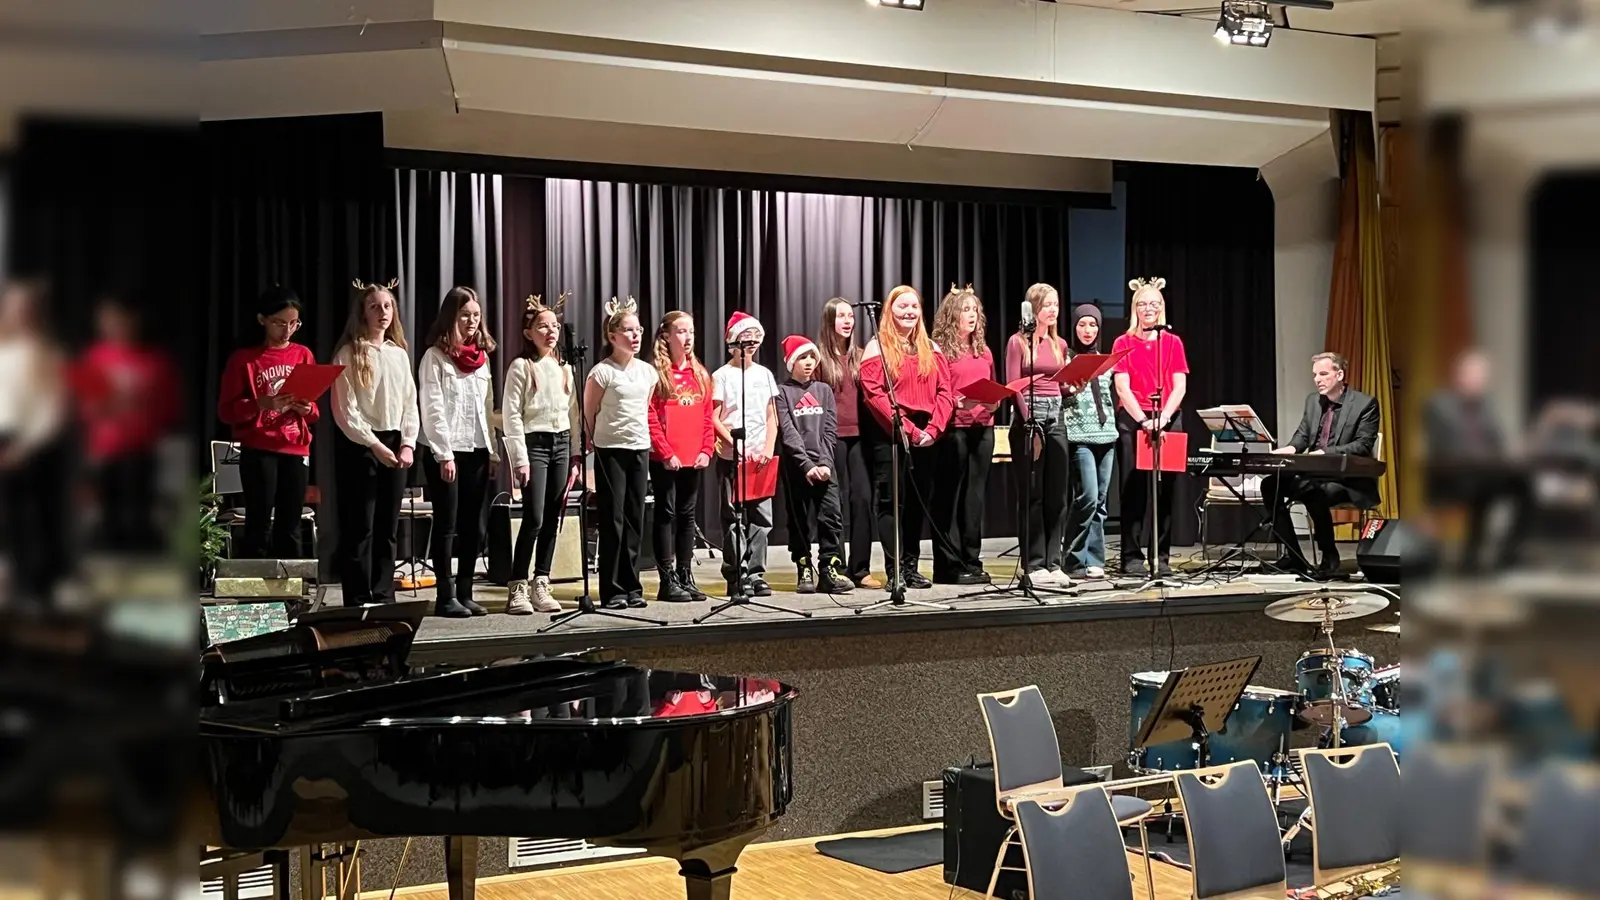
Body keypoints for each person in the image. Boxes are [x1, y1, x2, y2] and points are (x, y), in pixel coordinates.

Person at [858, 285, 955, 589]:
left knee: (916, 503)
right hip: (891, 434)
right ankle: (895, 570)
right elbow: (875, 396)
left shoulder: (932, 348)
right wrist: (908, 431)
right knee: (891, 502)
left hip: (928, 436)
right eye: (902, 307)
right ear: (889, 311)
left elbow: (945, 393)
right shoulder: (877, 348)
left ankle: (911, 566)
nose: (909, 312)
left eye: (914, 306)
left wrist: (933, 430)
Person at [331, 279, 419, 607]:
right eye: (374, 306)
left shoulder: (398, 354)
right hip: (362, 444)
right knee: (361, 526)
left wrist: (408, 442)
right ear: (362, 313)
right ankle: (356, 597)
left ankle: (383, 594)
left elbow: (410, 402)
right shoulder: (348, 353)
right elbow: (346, 410)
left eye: (387, 306)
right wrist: (374, 445)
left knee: (387, 526)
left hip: (394, 439)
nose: (382, 312)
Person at [217, 286, 319, 560]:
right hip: (259, 448)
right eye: (279, 323)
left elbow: (314, 413)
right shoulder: (245, 359)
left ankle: (293, 593)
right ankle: (257, 592)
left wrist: (307, 408)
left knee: (290, 524)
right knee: (259, 522)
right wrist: (260, 404)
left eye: (293, 323)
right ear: (262, 319)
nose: (287, 331)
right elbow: (226, 411)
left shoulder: (303, 354)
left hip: (296, 448)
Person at [417, 286, 498, 618]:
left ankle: (466, 591)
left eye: (476, 316)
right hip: (446, 453)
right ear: (451, 316)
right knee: (447, 525)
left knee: (472, 526)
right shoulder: (434, 357)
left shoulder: (482, 359)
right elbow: (433, 408)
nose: (472, 322)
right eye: (465, 315)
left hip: (477, 449)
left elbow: (487, 406)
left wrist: (491, 452)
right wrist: (444, 454)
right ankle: (445, 595)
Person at [76, 296, 180, 553]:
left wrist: (143, 413)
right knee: (109, 512)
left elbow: (170, 405)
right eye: (110, 321)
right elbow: (82, 404)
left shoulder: (154, 361)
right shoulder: (96, 358)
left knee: (139, 511)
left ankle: (137, 562)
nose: (117, 326)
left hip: (141, 447)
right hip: (106, 448)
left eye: (123, 321)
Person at [1265, 351, 1380, 577]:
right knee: (1270, 485)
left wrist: (1324, 453)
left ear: (1339, 375)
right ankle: (1293, 556)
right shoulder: (1313, 401)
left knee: (1311, 491)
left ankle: (1329, 555)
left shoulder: (1365, 404)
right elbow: (1302, 436)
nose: (1317, 379)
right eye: (1315, 375)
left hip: (1348, 480)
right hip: (1314, 474)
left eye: (1323, 373)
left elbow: (1363, 445)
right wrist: (1290, 448)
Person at [502, 294, 582, 614]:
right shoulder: (522, 367)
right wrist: (519, 458)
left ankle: (542, 581)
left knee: (552, 518)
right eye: (542, 326)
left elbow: (573, 413)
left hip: (561, 443)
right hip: (534, 444)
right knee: (533, 517)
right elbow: (511, 414)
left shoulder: (564, 367)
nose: (550, 331)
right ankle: (518, 585)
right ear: (528, 332)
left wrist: (576, 455)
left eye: (555, 326)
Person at [1111, 277, 1188, 578]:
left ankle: (1162, 556)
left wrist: (1163, 419)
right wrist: (1143, 421)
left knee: (1165, 491)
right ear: (1134, 308)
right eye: (1142, 304)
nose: (1148, 308)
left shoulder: (1173, 342)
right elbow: (1122, 386)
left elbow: (1179, 386)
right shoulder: (1123, 342)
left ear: (1162, 308)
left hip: (1167, 416)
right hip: (1134, 418)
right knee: (1133, 490)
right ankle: (1131, 557)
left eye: (1154, 303)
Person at [1424, 348, 1527, 571]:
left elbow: (1499, 441)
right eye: (1473, 374)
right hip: (1452, 476)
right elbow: (1448, 450)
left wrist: (1509, 456)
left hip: (1486, 473)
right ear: (1459, 375)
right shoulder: (1440, 405)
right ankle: (1471, 558)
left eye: (1482, 376)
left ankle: (1509, 554)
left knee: (1524, 484)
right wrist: (1490, 460)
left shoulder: (1487, 406)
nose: (1478, 381)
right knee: (1484, 487)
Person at [0, 281, 69, 609]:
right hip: (5, 438)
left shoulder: (47, 355)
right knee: (11, 522)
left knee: (35, 523)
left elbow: (51, 408)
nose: (17, 313)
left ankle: (37, 593)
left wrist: (25, 448)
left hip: (32, 448)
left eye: (24, 307)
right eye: (12, 306)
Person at [585, 297, 656, 610]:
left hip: (639, 448)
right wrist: (590, 448)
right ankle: (612, 589)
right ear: (612, 336)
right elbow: (589, 414)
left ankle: (632, 585)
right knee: (612, 520)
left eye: (638, 330)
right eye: (628, 330)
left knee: (634, 519)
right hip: (610, 450)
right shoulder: (602, 373)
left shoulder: (647, 372)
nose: (636, 336)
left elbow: (645, 407)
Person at [929, 285, 997, 586]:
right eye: (965, 310)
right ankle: (948, 565)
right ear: (951, 315)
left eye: (974, 311)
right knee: (949, 498)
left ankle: (972, 559)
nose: (971, 316)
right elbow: (933, 393)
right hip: (953, 429)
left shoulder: (984, 351)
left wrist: (994, 400)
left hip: (983, 429)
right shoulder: (938, 350)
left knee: (974, 499)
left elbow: (992, 387)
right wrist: (956, 402)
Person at [1005, 283, 1073, 586]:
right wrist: (1028, 419)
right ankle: (1033, 563)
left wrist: (1074, 385)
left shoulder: (1059, 344)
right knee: (1032, 493)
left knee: (1056, 493)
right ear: (1033, 308)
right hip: (1028, 417)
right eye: (1047, 304)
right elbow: (1012, 385)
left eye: (1056, 304)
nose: (1053, 310)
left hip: (1056, 415)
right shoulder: (1018, 342)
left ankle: (1052, 561)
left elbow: (1062, 386)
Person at [775, 334, 852, 595]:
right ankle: (803, 565)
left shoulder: (824, 391)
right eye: (802, 358)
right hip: (798, 468)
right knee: (799, 520)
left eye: (811, 357)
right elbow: (788, 432)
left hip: (824, 465)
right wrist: (807, 465)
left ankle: (829, 568)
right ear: (791, 362)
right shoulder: (782, 392)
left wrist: (825, 463)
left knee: (831, 517)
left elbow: (830, 430)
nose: (808, 363)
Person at [647, 310, 715, 602]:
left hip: (693, 457)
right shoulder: (656, 374)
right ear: (666, 335)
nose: (688, 338)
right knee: (666, 513)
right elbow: (649, 416)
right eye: (681, 332)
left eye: (691, 332)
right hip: (666, 459)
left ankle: (685, 575)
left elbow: (707, 416)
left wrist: (706, 450)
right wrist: (665, 452)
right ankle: (667, 579)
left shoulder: (699, 373)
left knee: (687, 516)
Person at [712, 311, 780, 596]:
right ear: (733, 341)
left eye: (755, 338)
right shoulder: (722, 376)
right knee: (733, 517)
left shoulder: (764, 374)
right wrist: (733, 443)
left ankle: (756, 572)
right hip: (732, 457)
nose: (751, 343)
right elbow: (714, 417)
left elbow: (771, 417)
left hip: (759, 458)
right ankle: (736, 573)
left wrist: (767, 447)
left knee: (762, 518)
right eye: (745, 338)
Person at [816, 297, 879, 589]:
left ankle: (861, 567)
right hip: (831, 438)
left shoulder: (862, 355)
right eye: (841, 316)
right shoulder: (818, 359)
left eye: (850, 316)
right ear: (830, 321)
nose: (847, 320)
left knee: (863, 498)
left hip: (860, 437)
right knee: (833, 503)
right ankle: (834, 565)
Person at [1063, 303, 1118, 580]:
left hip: (1106, 433)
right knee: (1085, 497)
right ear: (1074, 327)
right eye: (1082, 324)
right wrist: (1070, 388)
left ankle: (1095, 558)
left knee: (1100, 500)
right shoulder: (1066, 357)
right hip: (1079, 435)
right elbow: (1062, 393)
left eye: (1093, 325)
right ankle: (1073, 558)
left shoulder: (1105, 361)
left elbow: (1110, 396)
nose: (1088, 330)